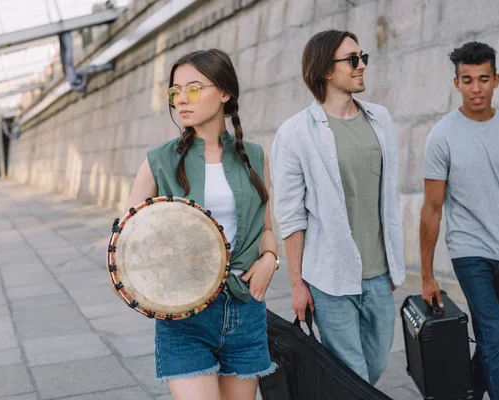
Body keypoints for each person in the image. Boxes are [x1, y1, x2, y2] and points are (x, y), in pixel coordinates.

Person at [111, 48, 278, 400]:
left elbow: (265, 229)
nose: (181, 99)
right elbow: (127, 240)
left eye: (193, 88)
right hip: (183, 318)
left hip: (245, 308)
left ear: (224, 92)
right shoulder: (158, 161)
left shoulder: (256, 157)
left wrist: (270, 260)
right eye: (175, 92)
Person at [270, 30, 405, 385]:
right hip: (330, 279)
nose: (361, 66)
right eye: (352, 60)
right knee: (352, 375)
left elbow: (387, 197)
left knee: (374, 366)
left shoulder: (380, 120)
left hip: (379, 273)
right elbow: (291, 215)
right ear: (326, 71)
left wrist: (393, 260)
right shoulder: (296, 132)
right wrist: (298, 284)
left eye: (363, 58)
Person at [420, 41, 499, 400]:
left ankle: (469, 392)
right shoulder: (442, 136)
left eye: (484, 79)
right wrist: (427, 276)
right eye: (468, 79)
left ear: (497, 80)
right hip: (469, 252)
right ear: (456, 83)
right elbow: (432, 208)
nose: (477, 88)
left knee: (493, 337)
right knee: (494, 336)